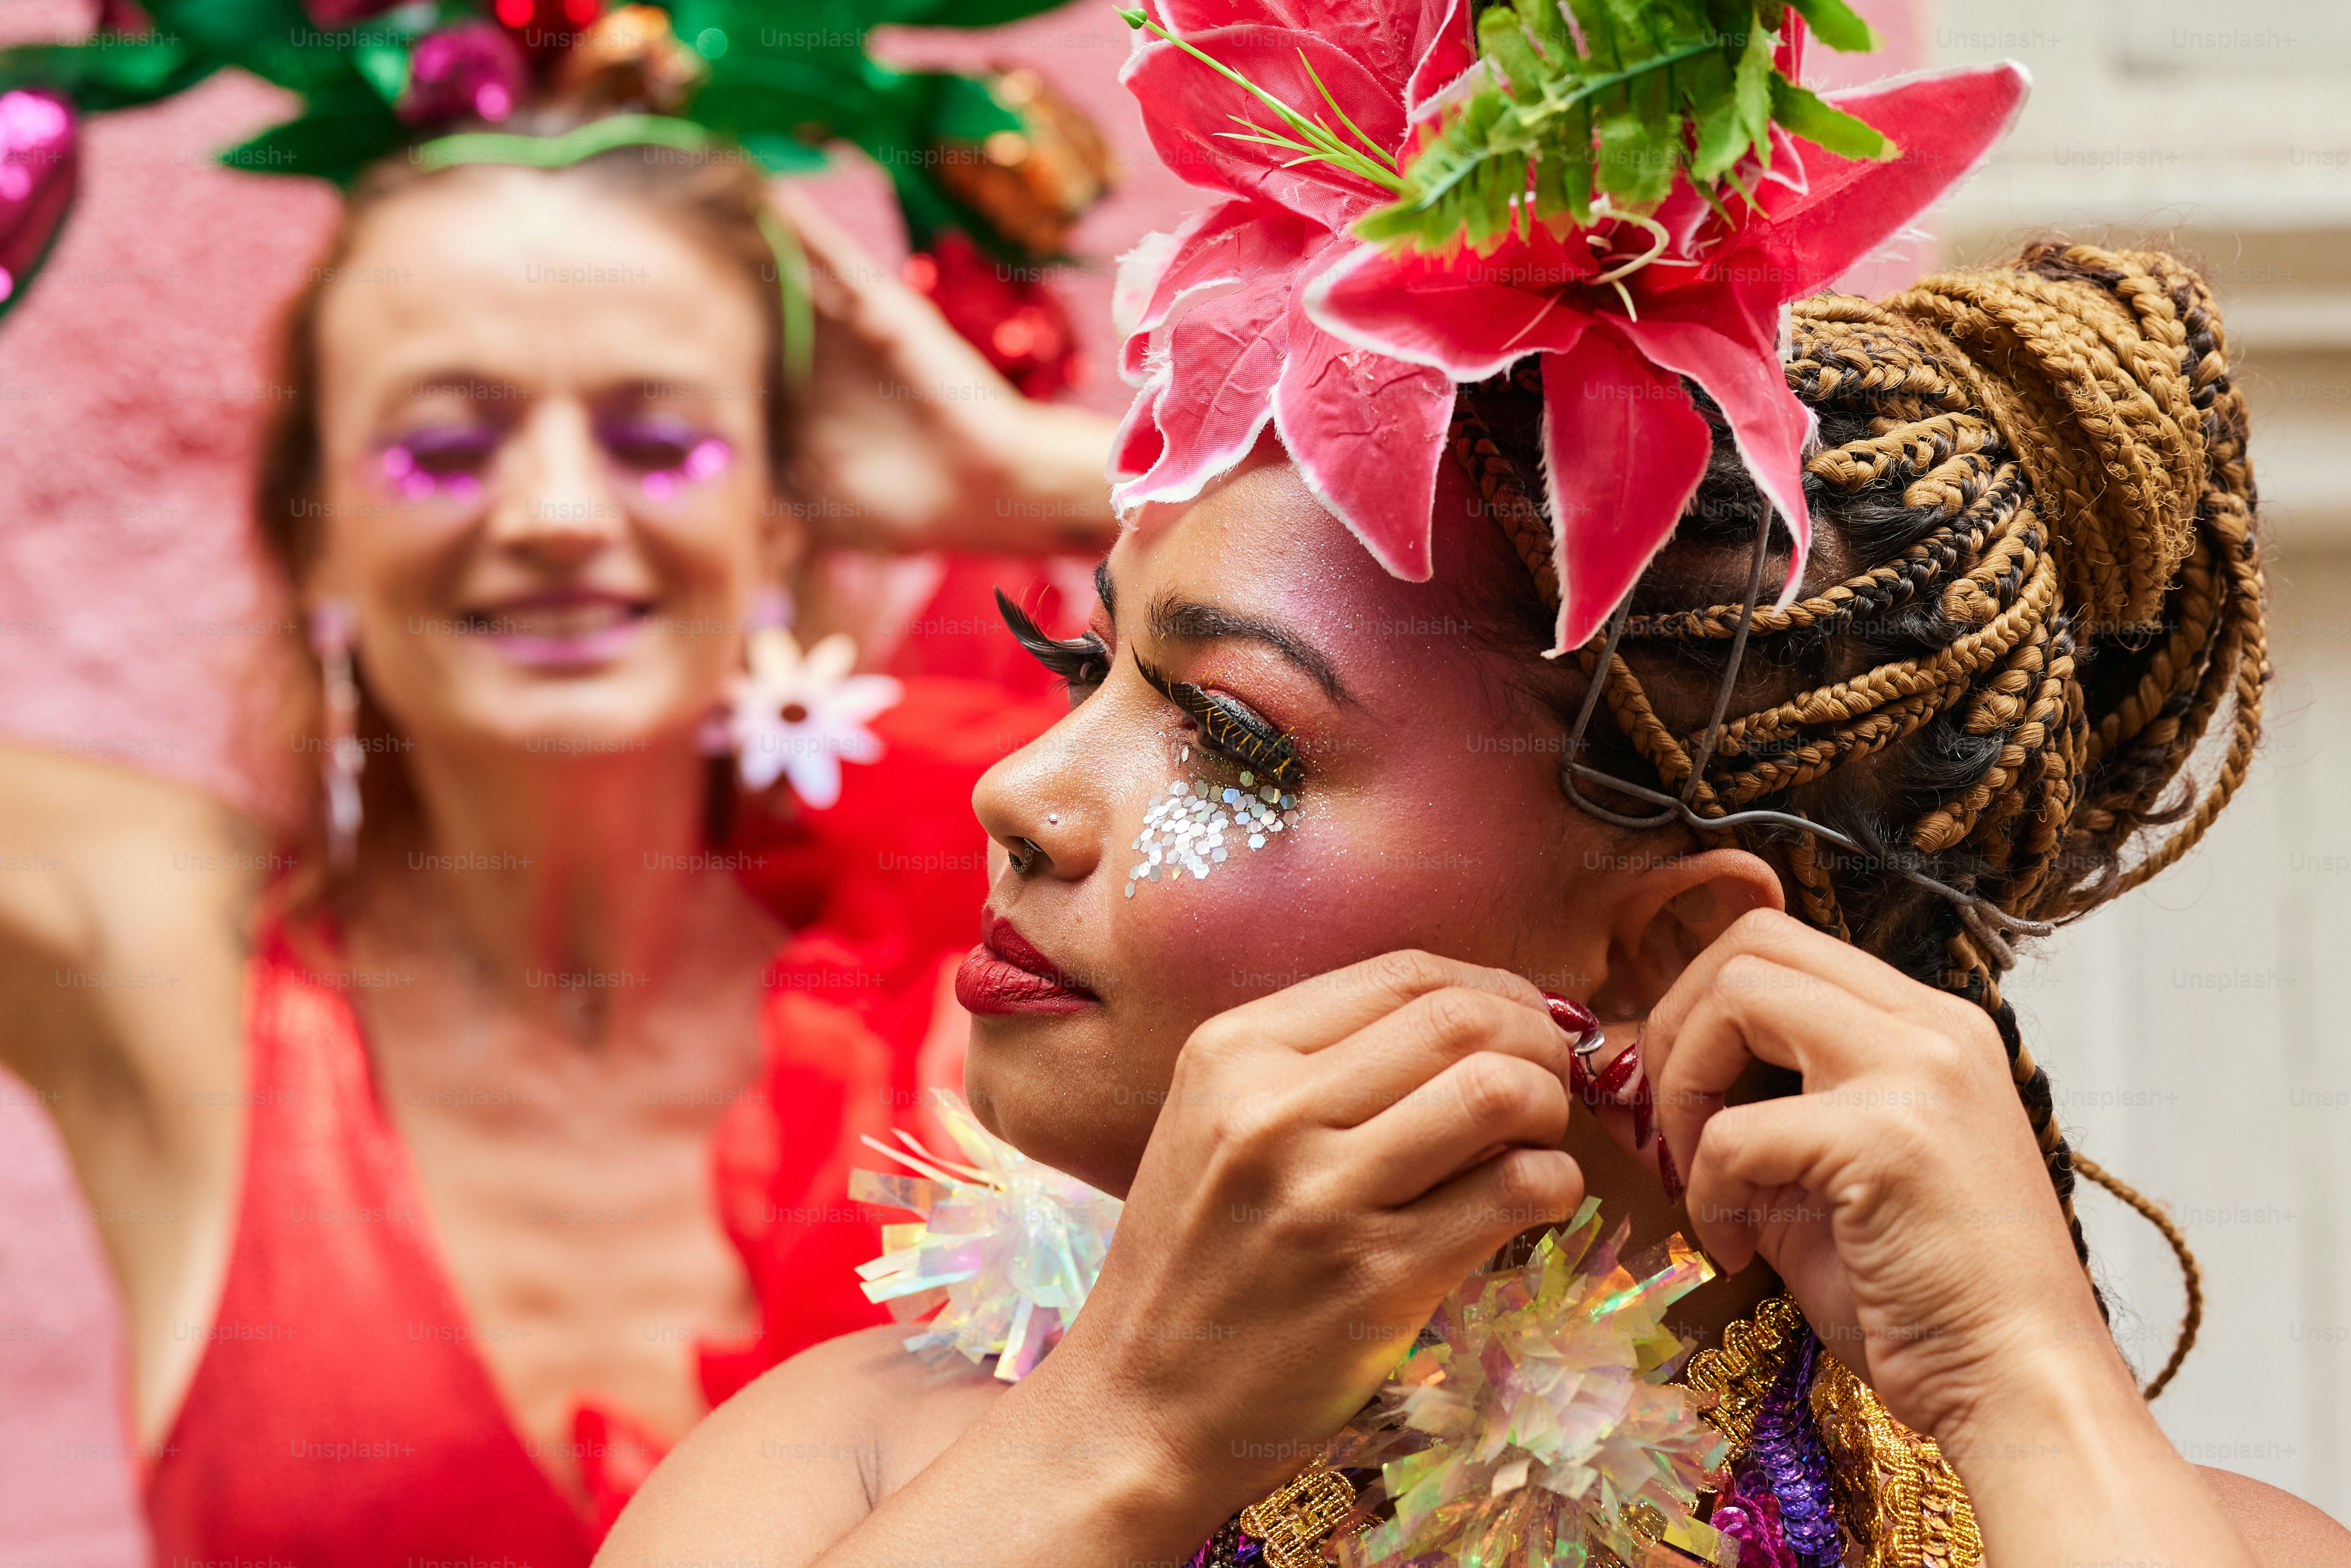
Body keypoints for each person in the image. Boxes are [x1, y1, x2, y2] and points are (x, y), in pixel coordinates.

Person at [602, 1, 2350, 1563]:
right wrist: (1131, 1434)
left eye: (1233, 737)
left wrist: (2026, 1385)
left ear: (1663, 954)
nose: (1019, 791)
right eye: (1084, 666)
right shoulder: (841, 1476)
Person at [0, 6, 1118, 1563]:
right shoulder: (163, 965)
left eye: (658, 441)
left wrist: (1043, 480)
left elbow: (1474, 746)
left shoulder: (1016, 962)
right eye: (443, 448)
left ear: (782, 518)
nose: (554, 514)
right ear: (313, 535)